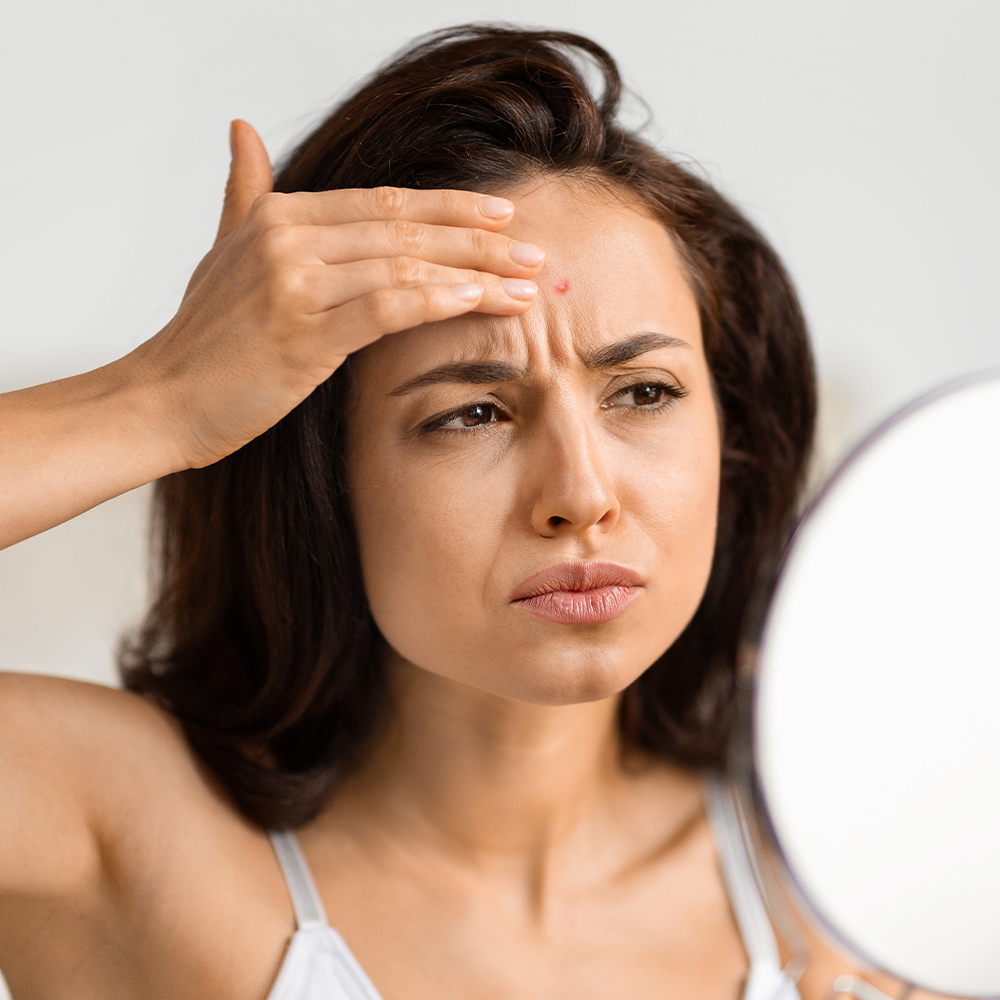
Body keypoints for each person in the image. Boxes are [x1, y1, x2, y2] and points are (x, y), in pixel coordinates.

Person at [0, 23, 925, 1000]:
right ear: (324, 477)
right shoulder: (124, 832)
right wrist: (162, 396)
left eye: (643, 392)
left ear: (731, 441)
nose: (580, 495)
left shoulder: (862, 887)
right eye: (471, 412)